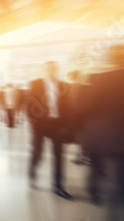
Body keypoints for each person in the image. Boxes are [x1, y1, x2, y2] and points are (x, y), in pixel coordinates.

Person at [79, 44, 124, 218]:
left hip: (108, 141)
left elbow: (83, 108)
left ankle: (99, 196)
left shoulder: (98, 78)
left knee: (114, 181)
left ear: (111, 59)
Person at [27, 61, 73, 200]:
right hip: (40, 125)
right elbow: (29, 105)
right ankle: (32, 170)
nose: (52, 71)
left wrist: (66, 126)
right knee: (37, 152)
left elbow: (66, 107)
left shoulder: (63, 85)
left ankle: (58, 185)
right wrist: (34, 123)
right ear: (44, 70)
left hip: (57, 125)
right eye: (49, 69)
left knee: (59, 156)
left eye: (54, 69)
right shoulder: (36, 84)